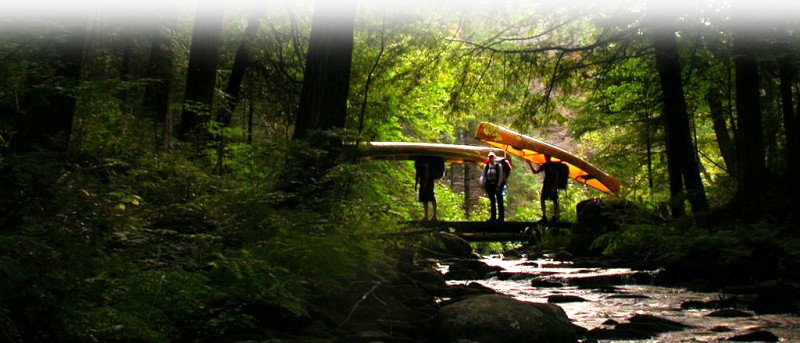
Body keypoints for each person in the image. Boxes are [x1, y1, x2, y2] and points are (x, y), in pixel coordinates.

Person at [532, 154, 567, 223]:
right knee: (542, 199)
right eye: (546, 156)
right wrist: (529, 164)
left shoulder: (554, 165)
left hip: (552, 185)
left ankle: (554, 216)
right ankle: (544, 216)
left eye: (547, 156)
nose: (546, 157)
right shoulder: (545, 165)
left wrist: (554, 186)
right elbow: (535, 172)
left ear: (550, 157)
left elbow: (557, 177)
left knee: (554, 200)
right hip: (546, 184)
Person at [414, 156, 444, 221]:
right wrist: (416, 184)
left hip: (429, 181)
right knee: (424, 198)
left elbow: (427, 171)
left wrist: (426, 182)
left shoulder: (424, 160)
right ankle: (426, 216)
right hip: (423, 181)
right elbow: (417, 173)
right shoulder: (418, 161)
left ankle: (434, 215)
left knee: (431, 197)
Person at [482, 152, 506, 222]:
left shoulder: (498, 166)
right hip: (489, 185)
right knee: (492, 201)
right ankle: (493, 217)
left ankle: (501, 218)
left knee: (499, 201)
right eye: (489, 157)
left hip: (497, 185)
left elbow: (500, 176)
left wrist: (498, 185)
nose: (490, 158)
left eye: (492, 157)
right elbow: (484, 176)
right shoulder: (486, 166)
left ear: (494, 158)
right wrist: (483, 184)